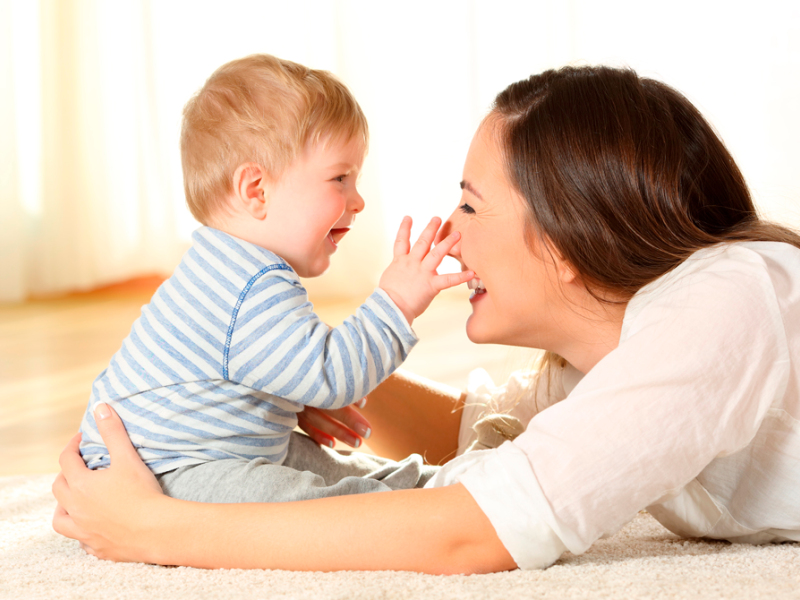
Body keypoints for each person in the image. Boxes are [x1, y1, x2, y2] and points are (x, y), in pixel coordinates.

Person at [53, 65, 800, 574]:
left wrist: (155, 528)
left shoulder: (725, 304)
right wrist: (283, 373)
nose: (449, 230)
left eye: (470, 204)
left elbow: (471, 533)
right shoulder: (607, 358)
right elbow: (472, 431)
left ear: (565, 238)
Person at [77, 53, 472, 503]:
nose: (358, 200)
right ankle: (419, 501)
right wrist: (397, 300)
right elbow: (330, 376)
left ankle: (424, 487)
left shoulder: (225, 265)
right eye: (340, 178)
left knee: (317, 463)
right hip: (163, 472)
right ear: (257, 190)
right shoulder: (250, 284)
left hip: (198, 454)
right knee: (304, 502)